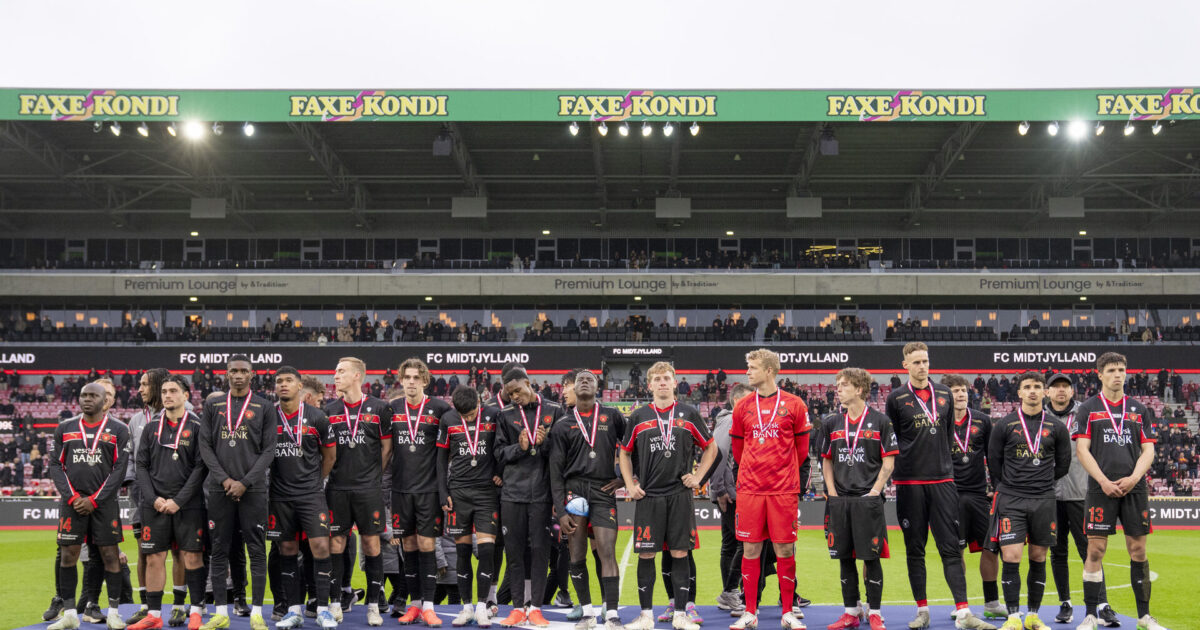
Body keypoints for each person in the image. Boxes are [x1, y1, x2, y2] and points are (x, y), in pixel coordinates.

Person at [886, 343, 992, 630]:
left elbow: (946, 436)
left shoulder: (944, 393)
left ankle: (964, 612)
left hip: (943, 482)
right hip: (910, 482)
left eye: (925, 361)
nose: (922, 366)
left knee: (951, 547)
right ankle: (922, 611)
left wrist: (944, 467)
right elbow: (894, 438)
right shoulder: (896, 398)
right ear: (905, 365)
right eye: (916, 362)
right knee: (915, 549)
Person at [620, 361, 718, 630]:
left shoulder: (689, 413)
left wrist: (698, 478)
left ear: (675, 383)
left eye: (666, 378)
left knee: (679, 552)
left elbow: (711, 448)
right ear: (649, 385)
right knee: (646, 555)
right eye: (657, 379)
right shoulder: (638, 416)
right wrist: (629, 485)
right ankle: (645, 616)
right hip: (648, 496)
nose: (662, 382)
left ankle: (680, 615)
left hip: (679, 495)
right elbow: (624, 453)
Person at [1072, 353, 1164, 630]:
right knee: (1095, 550)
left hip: (1134, 488)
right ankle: (1091, 615)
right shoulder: (1088, 408)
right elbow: (1082, 450)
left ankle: (1144, 617)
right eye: (1112, 370)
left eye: (1122, 370)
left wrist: (1135, 478)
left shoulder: (1139, 409)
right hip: (1100, 488)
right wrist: (1102, 481)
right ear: (1100, 374)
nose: (1118, 375)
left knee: (1138, 549)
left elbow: (1149, 450)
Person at [728, 349, 810, 630]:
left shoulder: (795, 404)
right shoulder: (742, 406)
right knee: (750, 548)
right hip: (751, 489)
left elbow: (802, 450)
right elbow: (738, 450)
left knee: (785, 549)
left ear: (769, 371)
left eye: (752, 367)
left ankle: (787, 612)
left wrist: (782, 473)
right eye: (747, 367)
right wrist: (754, 471)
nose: (747, 372)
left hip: (783, 490)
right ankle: (750, 612)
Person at [986, 372, 1071, 630]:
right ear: (1019, 392)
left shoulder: (1056, 427)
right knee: (1011, 555)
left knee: (1038, 555)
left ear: (1044, 392)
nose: (1032, 391)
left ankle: (1033, 615)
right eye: (1027, 387)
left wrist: (1041, 482)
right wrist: (1012, 484)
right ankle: (1013, 616)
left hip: (1043, 498)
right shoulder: (1005, 424)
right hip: (1011, 498)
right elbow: (994, 462)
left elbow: (1064, 464)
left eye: (1037, 386)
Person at [198, 355, 278, 630]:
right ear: (227, 373)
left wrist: (244, 482)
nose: (239, 375)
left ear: (252, 374)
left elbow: (269, 450)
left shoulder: (265, 407)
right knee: (219, 550)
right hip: (219, 489)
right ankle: (221, 612)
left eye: (244, 371)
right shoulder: (213, 405)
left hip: (253, 489)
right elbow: (205, 446)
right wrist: (224, 480)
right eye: (234, 370)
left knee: (256, 550)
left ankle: (257, 612)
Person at [48, 382, 131, 630]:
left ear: (105, 401)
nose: (87, 399)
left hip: (104, 504)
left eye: (93, 396)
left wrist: (95, 499)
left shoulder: (119, 430)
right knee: (68, 555)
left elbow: (119, 469)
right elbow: (55, 465)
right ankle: (70, 614)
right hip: (72, 503)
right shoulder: (65, 428)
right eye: (84, 395)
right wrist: (73, 497)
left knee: (110, 555)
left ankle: (114, 613)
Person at [549, 370, 626, 630]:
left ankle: (612, 614)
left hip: (604, 489)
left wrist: (625, 478)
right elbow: (555, 472)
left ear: (597, 387)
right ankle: (587, 613)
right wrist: (561, 512)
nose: (584, 381)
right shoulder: (562, 424)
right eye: (580, 379)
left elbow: (632, 447)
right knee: (577, 553)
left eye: (589, 379)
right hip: (574, 490)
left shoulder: (613, 416)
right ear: (574, 388)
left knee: (607, 551)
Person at [821, 368, 897, 630]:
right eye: (838, 385)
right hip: (840, 500)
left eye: (844, 385)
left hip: (868, 499)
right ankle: (851, 612)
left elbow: (889, 462)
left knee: (871, 557)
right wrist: (832, 492)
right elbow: (827, 460)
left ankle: (874, 612)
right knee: (844, 557)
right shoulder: (832, 422)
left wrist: (874, 491)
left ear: (860, 389)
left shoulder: (881, 421)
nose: (839, 389)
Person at [129, 375, 207, 630]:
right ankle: (154, 615)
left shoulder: (197, 426)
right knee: (154, 557)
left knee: (192, 557)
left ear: (186, 395)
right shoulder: (151, 427)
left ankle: (195, 612)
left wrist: (179, 500)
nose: (167, 395)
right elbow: (141, 465)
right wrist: (153, 499)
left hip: (188, 504)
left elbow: (201, 467)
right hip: (156, 505)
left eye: (173, 391)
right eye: (164, 391)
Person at [324, 357, 393, 626]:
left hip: (368, 490)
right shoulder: (329, 410)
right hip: (337, 488)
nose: (336, 376)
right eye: (335, 371)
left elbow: (387, 449)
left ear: (357, 376)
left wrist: (372, 476)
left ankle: (373, 606)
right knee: (336, 544)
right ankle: (335, 603)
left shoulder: (379, 408)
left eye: (341, 371)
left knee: (371, 544)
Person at [494, 367, 565, 629]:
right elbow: (498, 453)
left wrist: (544, 445)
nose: (515, 397)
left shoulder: (554, 411)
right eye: (510, 393)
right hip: (512, 493)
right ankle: (516, 608)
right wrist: (520, 447)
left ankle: (535, 608)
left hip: (541, 494)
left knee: (540, 552)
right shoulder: (505, 414)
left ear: (527, 382)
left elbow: (561, 454)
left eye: (517, 391)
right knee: (514, 552)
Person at [1043, 374, 1117, 626]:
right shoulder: (1039, 417)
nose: (1061, 390)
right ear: (1048, 392)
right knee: (1057, 551)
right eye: (1056, 387)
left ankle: (1102, 605)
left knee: (1090, 550)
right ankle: (1065, 603)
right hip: (1050, 494)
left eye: (1065, 386)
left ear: (1072, 391)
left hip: (1081, 493)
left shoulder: (1086, 413)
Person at [268, 367, 338, 630]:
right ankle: (293, 610)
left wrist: (314, 482)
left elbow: (330, 456)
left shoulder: (317, 417)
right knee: (286, 550)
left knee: (320, 546)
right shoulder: (268, 416)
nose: (283, 385)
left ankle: (323, 610)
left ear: (299, 386)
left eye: (289, 381)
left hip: (310, 494)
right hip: (280, 496)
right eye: (279, 381)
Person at [390, 358, 454, 628]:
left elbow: (449, 450)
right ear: (401, 380)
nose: (412, 382)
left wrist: (445, 489)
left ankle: (428, 606)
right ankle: (414, 604)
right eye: (407, 377)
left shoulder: (440, 409)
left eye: (417, 377)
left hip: (429, 490)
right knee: (409, 546)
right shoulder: (392, 409)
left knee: (427, 545)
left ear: (425, 381)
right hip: (400, 490)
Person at [437, 386, 502, 628]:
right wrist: (443, 493)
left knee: (486, 552)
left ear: (479, 403)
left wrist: (500, 472)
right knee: (462, 553)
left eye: (472, 413)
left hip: (486, 493)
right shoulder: (448, 420)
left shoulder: (493, 415)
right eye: (464, 416)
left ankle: (483, 606)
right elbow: (440, 459)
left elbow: (501, 449)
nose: (469, 418)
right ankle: (466, 607)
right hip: (459, 494)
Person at [940, 374, 1004, 621]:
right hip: (949, 495)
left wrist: (997, 487)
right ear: (946, 395)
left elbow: (993, 457)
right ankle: (961, 604)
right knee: (956, 552)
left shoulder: (983, 420)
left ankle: (992, 602)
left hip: (978, 495)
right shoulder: (938, 422)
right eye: (955, 390)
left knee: (991, 548)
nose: (961, 394)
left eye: (963, 390)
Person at [124, 368, 174, 627]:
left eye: (145, 384)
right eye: (140, 384)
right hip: (143, 496)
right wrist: (138, 490)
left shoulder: (181, 413)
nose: (140, 389)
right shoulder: (135, 420)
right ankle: (145, 606)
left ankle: (180, 605)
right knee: (144, 550)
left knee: (180, 551)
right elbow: (131, 460)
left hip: (175, 495)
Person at [708, 383, 751, 613]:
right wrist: (720, 490)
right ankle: (731, 591)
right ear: (736, 400)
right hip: (731, 493)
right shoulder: (731, 420)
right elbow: (718, 455)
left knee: (731, 544)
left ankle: (731, 593)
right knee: (743, 543)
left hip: (733, 491)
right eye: (748, 399)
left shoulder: (734, 419)